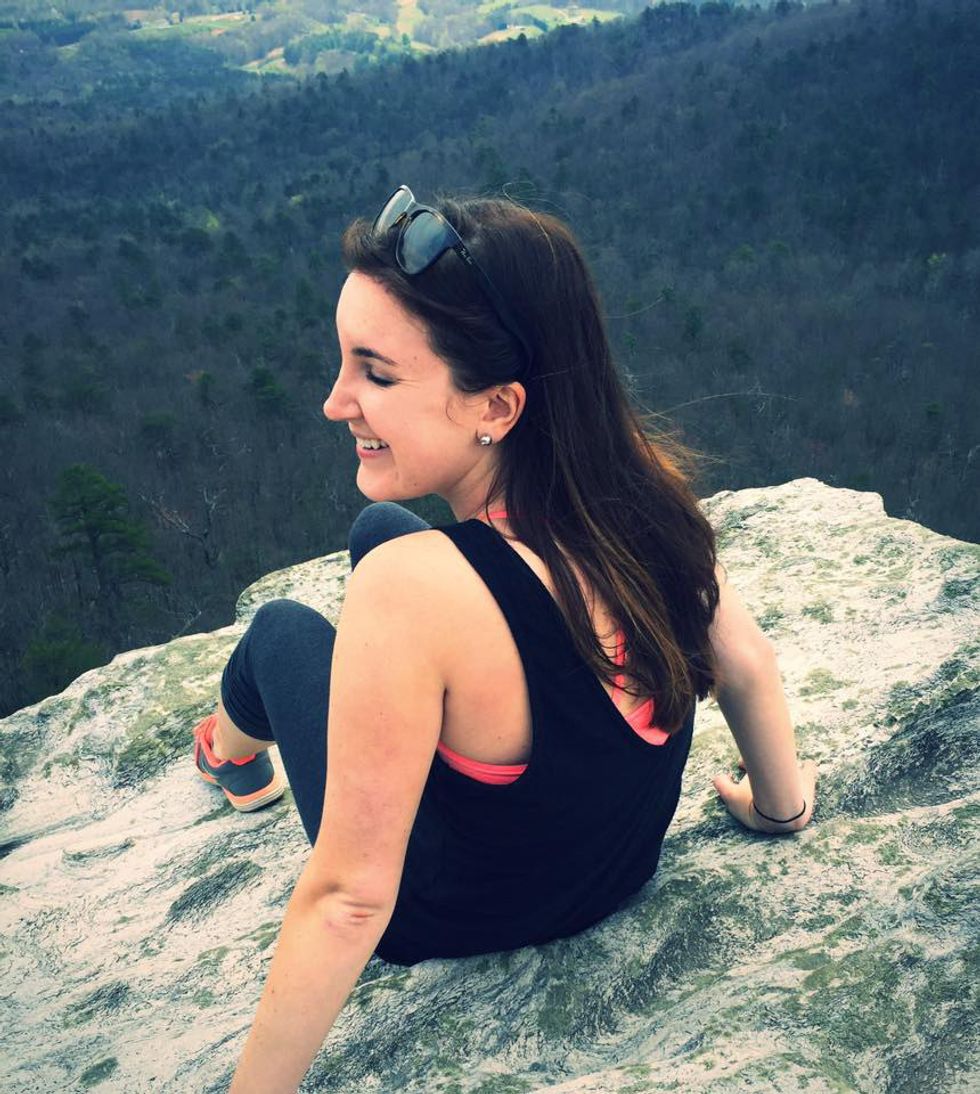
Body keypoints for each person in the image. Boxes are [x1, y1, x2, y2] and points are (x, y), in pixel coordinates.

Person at [189, 184, 818, 1092]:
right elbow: (748, 666)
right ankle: (263, 750)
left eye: (376, 374)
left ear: (497, 407)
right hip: (614, 868)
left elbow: (350, 898)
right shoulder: (643, 501)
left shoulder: (412, 593)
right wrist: (780, 811)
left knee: (281, 632)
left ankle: (230, 755)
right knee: (380, 530)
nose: (335, 402)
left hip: (456, 912)